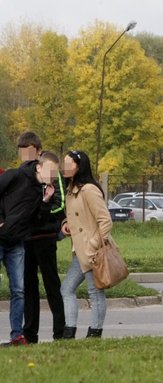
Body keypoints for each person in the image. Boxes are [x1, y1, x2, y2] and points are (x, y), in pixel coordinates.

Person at [0, 145, 57, 346]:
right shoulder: (15, 176)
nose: (52, 176)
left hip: (17, 242)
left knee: (18, 290)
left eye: (55, 173)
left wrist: (46, 201)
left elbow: (38, 221)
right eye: (50, 170)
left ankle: (17, 336)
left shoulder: (43, 190)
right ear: (39, 168)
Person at [60, 150, 113, 339]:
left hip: (92, 252)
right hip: (80, 251)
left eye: (68, 164)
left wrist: (92, 246)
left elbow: (106, 221)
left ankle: (95, 332)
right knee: (66, 289)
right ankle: (69, 331)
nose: (64, 168)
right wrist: (65, 224)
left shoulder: (89, 189)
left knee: (95, 292)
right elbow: (75, 216)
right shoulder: (71, 189)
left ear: (79, 167)